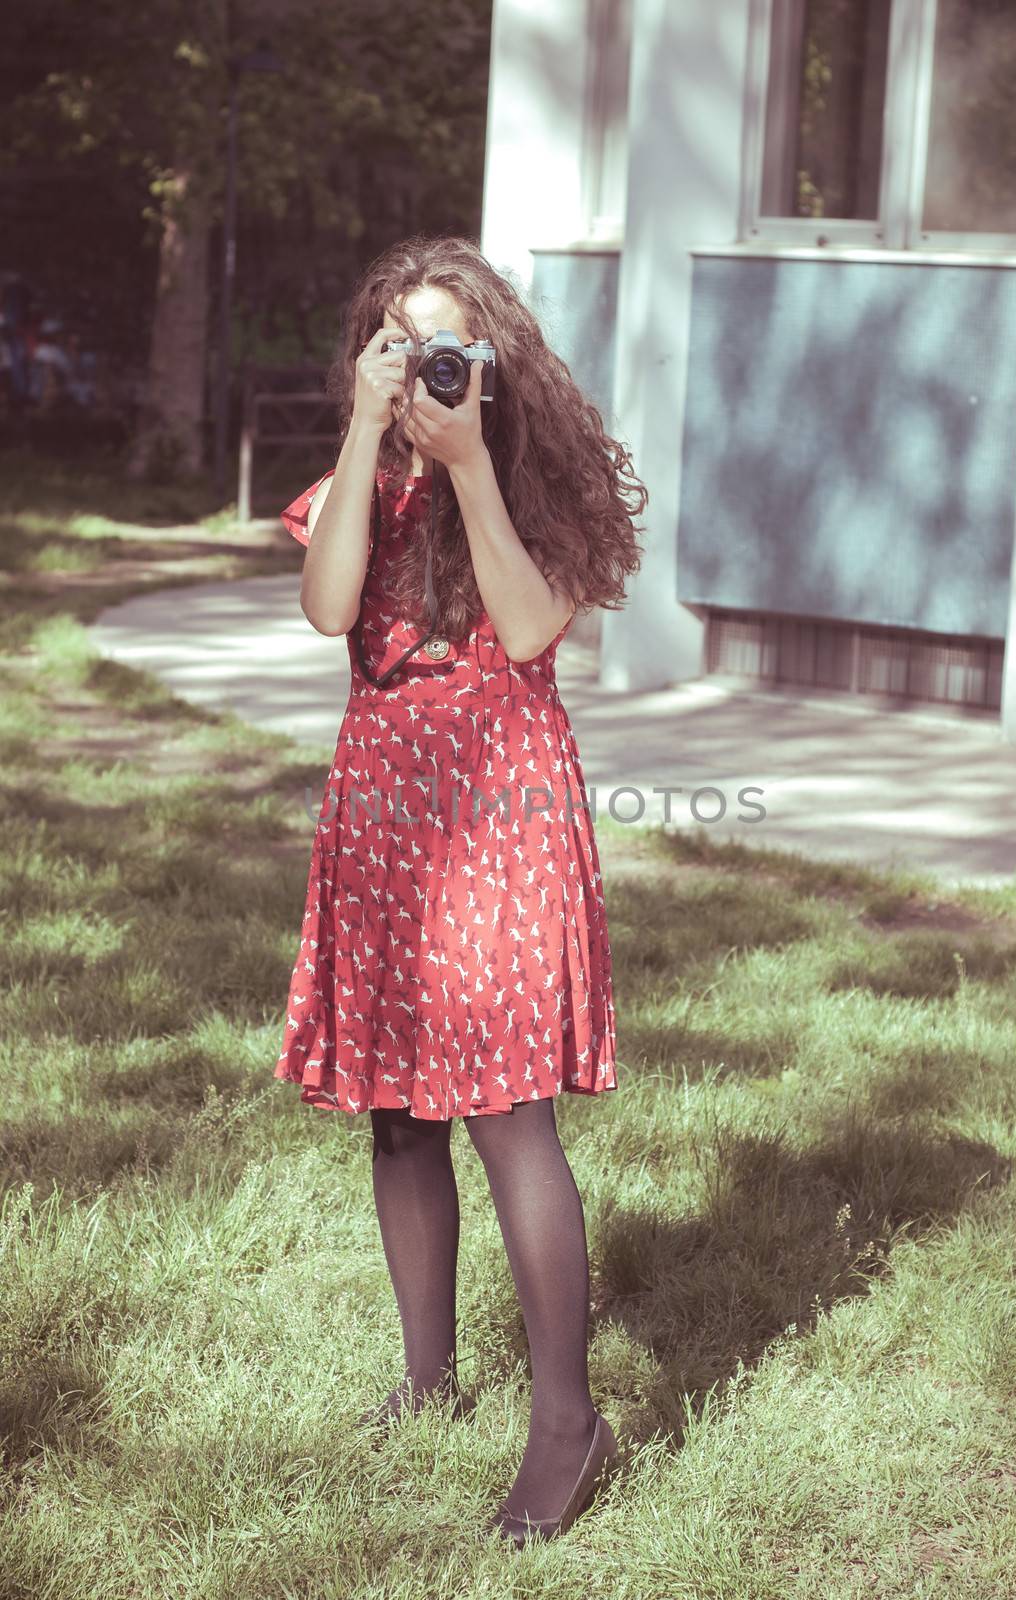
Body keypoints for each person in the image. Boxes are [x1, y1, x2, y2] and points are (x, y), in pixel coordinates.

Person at [273, 234, 646, 1547]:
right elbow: (330, 616)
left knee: (506, 1116)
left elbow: (533, 629)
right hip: (382, 818)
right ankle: (428, 1383)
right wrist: (375, 438)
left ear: (490, 362)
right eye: (400, 345)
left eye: (448, 350)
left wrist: (469, 457)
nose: (426, 369)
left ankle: (566, 1423)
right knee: (394, 1116)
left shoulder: (523, 478)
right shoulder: (357, 484)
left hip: (501, 808)